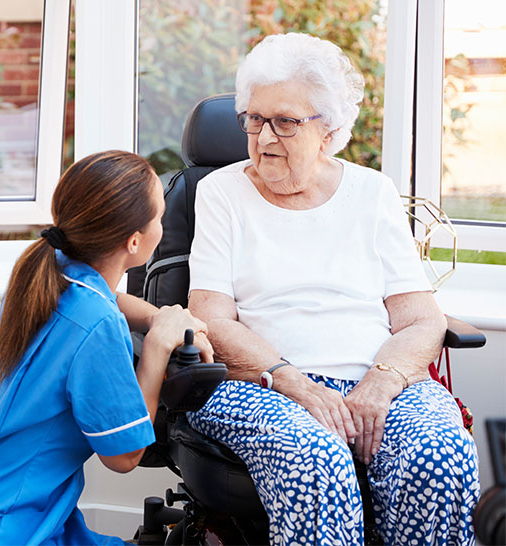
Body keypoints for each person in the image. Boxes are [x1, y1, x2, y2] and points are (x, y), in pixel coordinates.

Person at [187, 33, 480, 545]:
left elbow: (421, 317)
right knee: (315, 459)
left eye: (285, 122)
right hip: (262, 385)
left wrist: (382, 383)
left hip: (379, 382)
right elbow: (210, 318)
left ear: (330, 129)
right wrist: (298, 385)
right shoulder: (221, 193)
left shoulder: (372, 192)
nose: (264, 138)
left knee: (438, 453)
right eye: (254, 119)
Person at [0, 150, 212, 545]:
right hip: (9, 531)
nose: (162, 226)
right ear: (134, 241)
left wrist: (159, 318)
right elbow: (124, 458)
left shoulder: (50, 269)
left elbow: (109, 298)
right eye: (159, 218)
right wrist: (157, 349)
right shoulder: (96, 324)